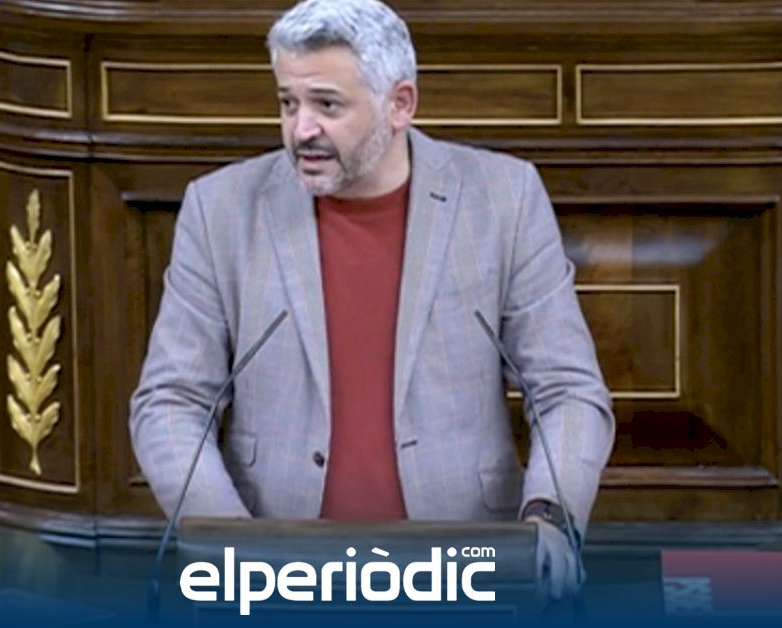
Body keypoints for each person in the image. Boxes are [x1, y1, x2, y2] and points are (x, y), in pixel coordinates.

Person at [129, 0, 614, 602]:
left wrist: (551, 514)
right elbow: (171, 402)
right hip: (280, 573)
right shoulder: (220, 209)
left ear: (400, 104)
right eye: (288, 103)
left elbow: (566, 388)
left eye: (327, 105)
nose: (301, 129)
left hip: (465, 566)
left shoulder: (503, 199)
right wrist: (230, 544)